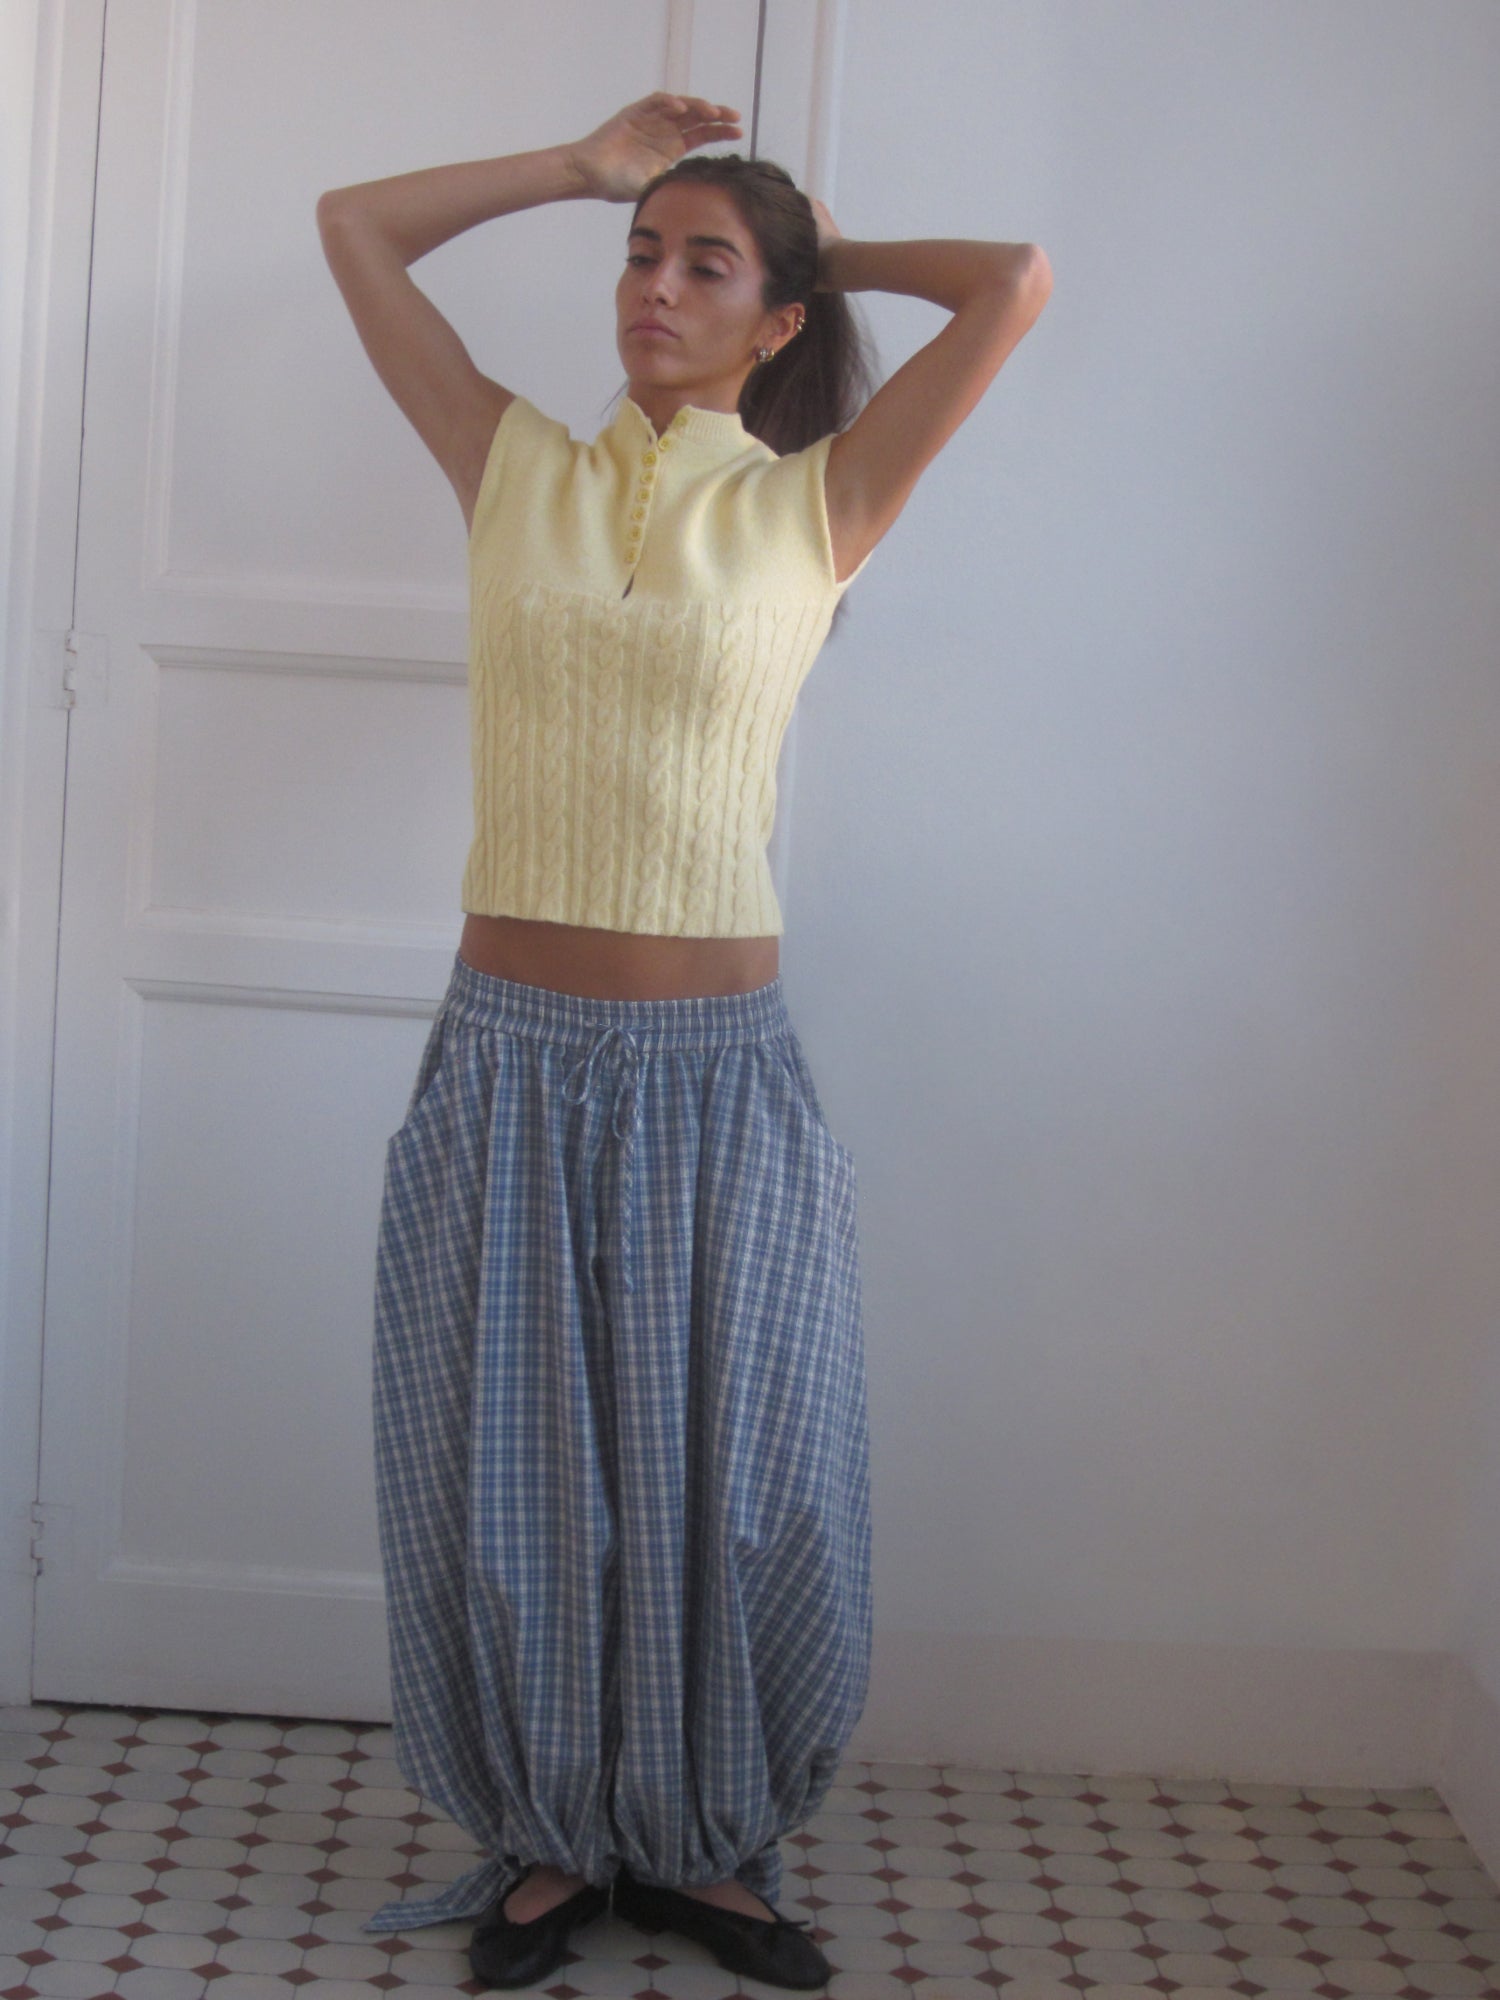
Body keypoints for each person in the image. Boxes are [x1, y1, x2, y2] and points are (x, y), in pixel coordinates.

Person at [316, 90, 1051, 1992]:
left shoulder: (819, 501)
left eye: (702, 267)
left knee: (743, 1469)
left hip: (718, 1082)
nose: (652, 286)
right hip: (505, 1061)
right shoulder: (514, 467)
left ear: (776, 320)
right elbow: (353, 226)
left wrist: (811, 245)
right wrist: (582, 169)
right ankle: (554, 1836)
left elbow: (1013, 281)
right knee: (518, 1480)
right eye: (640, 257)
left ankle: (709, 1838)